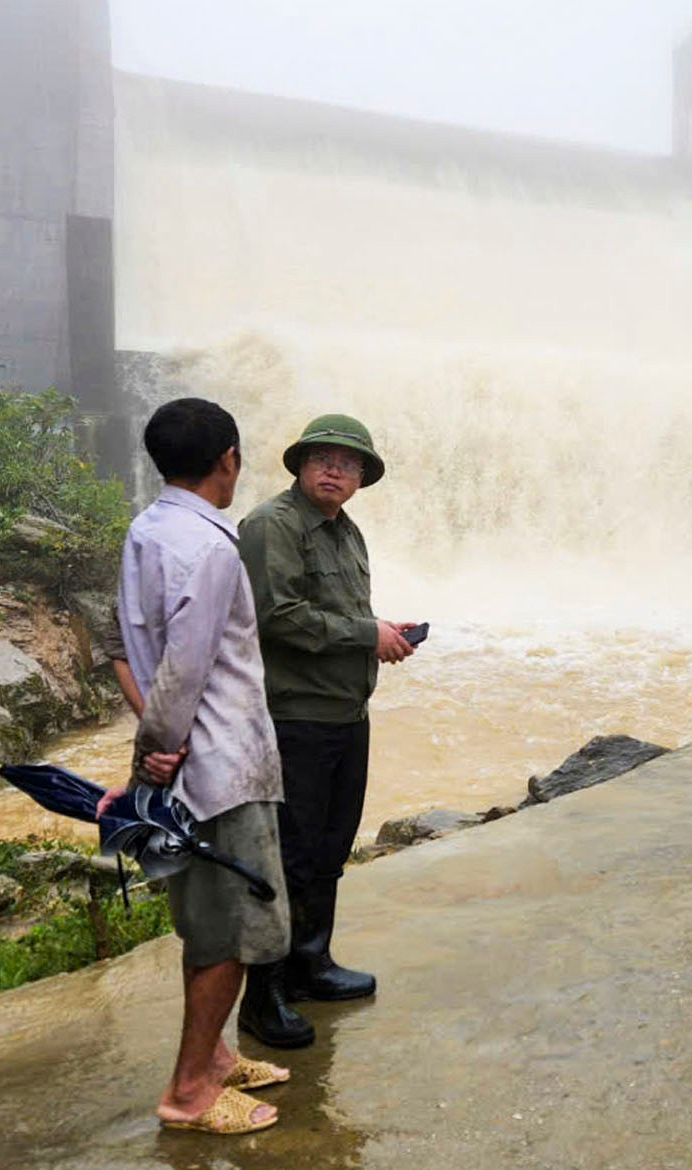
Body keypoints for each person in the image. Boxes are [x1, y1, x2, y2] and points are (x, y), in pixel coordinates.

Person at [103, 397, 294, 1134]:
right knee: (233, 934)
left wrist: (149, 750)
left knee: (204, 922)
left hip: (184, 764)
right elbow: (186, 667)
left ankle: (212, 1056)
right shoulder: (212, 548)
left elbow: (130, 644)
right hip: (219, 768)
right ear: (229, 460)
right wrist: (162, 749)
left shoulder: (149, 528)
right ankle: (189, 1093)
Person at [235, 414, 418, 1048]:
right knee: (285, 857)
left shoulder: (347, 532)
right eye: (323, 458)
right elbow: (276, 617)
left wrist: (382, 633)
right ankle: (265, 996)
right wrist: (367, 635)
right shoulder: (269, 526)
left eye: (349, 462)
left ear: (363, 476)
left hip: (344, 712)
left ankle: (312, 963)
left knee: (329, 851)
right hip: (294, 717)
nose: (335, 469)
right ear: (300, 465)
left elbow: (343, 614)